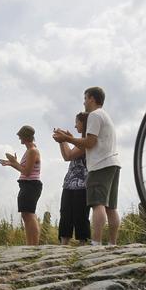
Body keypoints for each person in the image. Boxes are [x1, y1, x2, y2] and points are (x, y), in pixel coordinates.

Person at [53, 87, 121, 246]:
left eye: (85, 98)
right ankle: (112, 243)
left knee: (98, 205)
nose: (84, 102)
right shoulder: (105, 116)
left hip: (100, 165)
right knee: (111, 207)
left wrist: (67, 139)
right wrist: (68, 138)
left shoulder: (94, 116)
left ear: (91, 98)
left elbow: (90, 142)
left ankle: (96, 243)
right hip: (112, 163)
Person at [0, 125, 42, 245]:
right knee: (26, 214)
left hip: (31, 185)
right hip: (27, 185)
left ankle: (33, 244)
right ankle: (30, 243)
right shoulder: (29, 151)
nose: (19, 139)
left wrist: (14, 162)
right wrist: (11, 163)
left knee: (29, 214)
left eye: (20, 136)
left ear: (25, 136)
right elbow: (24, 169)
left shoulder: (33, 151)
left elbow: (27, 172)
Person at [55, 112, 91, 245]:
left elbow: (69, 155)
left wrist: (64, 139)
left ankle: (83, 243)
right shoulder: (79, 142)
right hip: (70, 182)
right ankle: (64, 242)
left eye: (77, 122)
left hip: (82, 183)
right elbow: (67, 155)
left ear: (83, 123)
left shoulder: (87, 141)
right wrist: (62, 141)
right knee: (65, 213)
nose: (75, 126)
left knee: (80, 214)